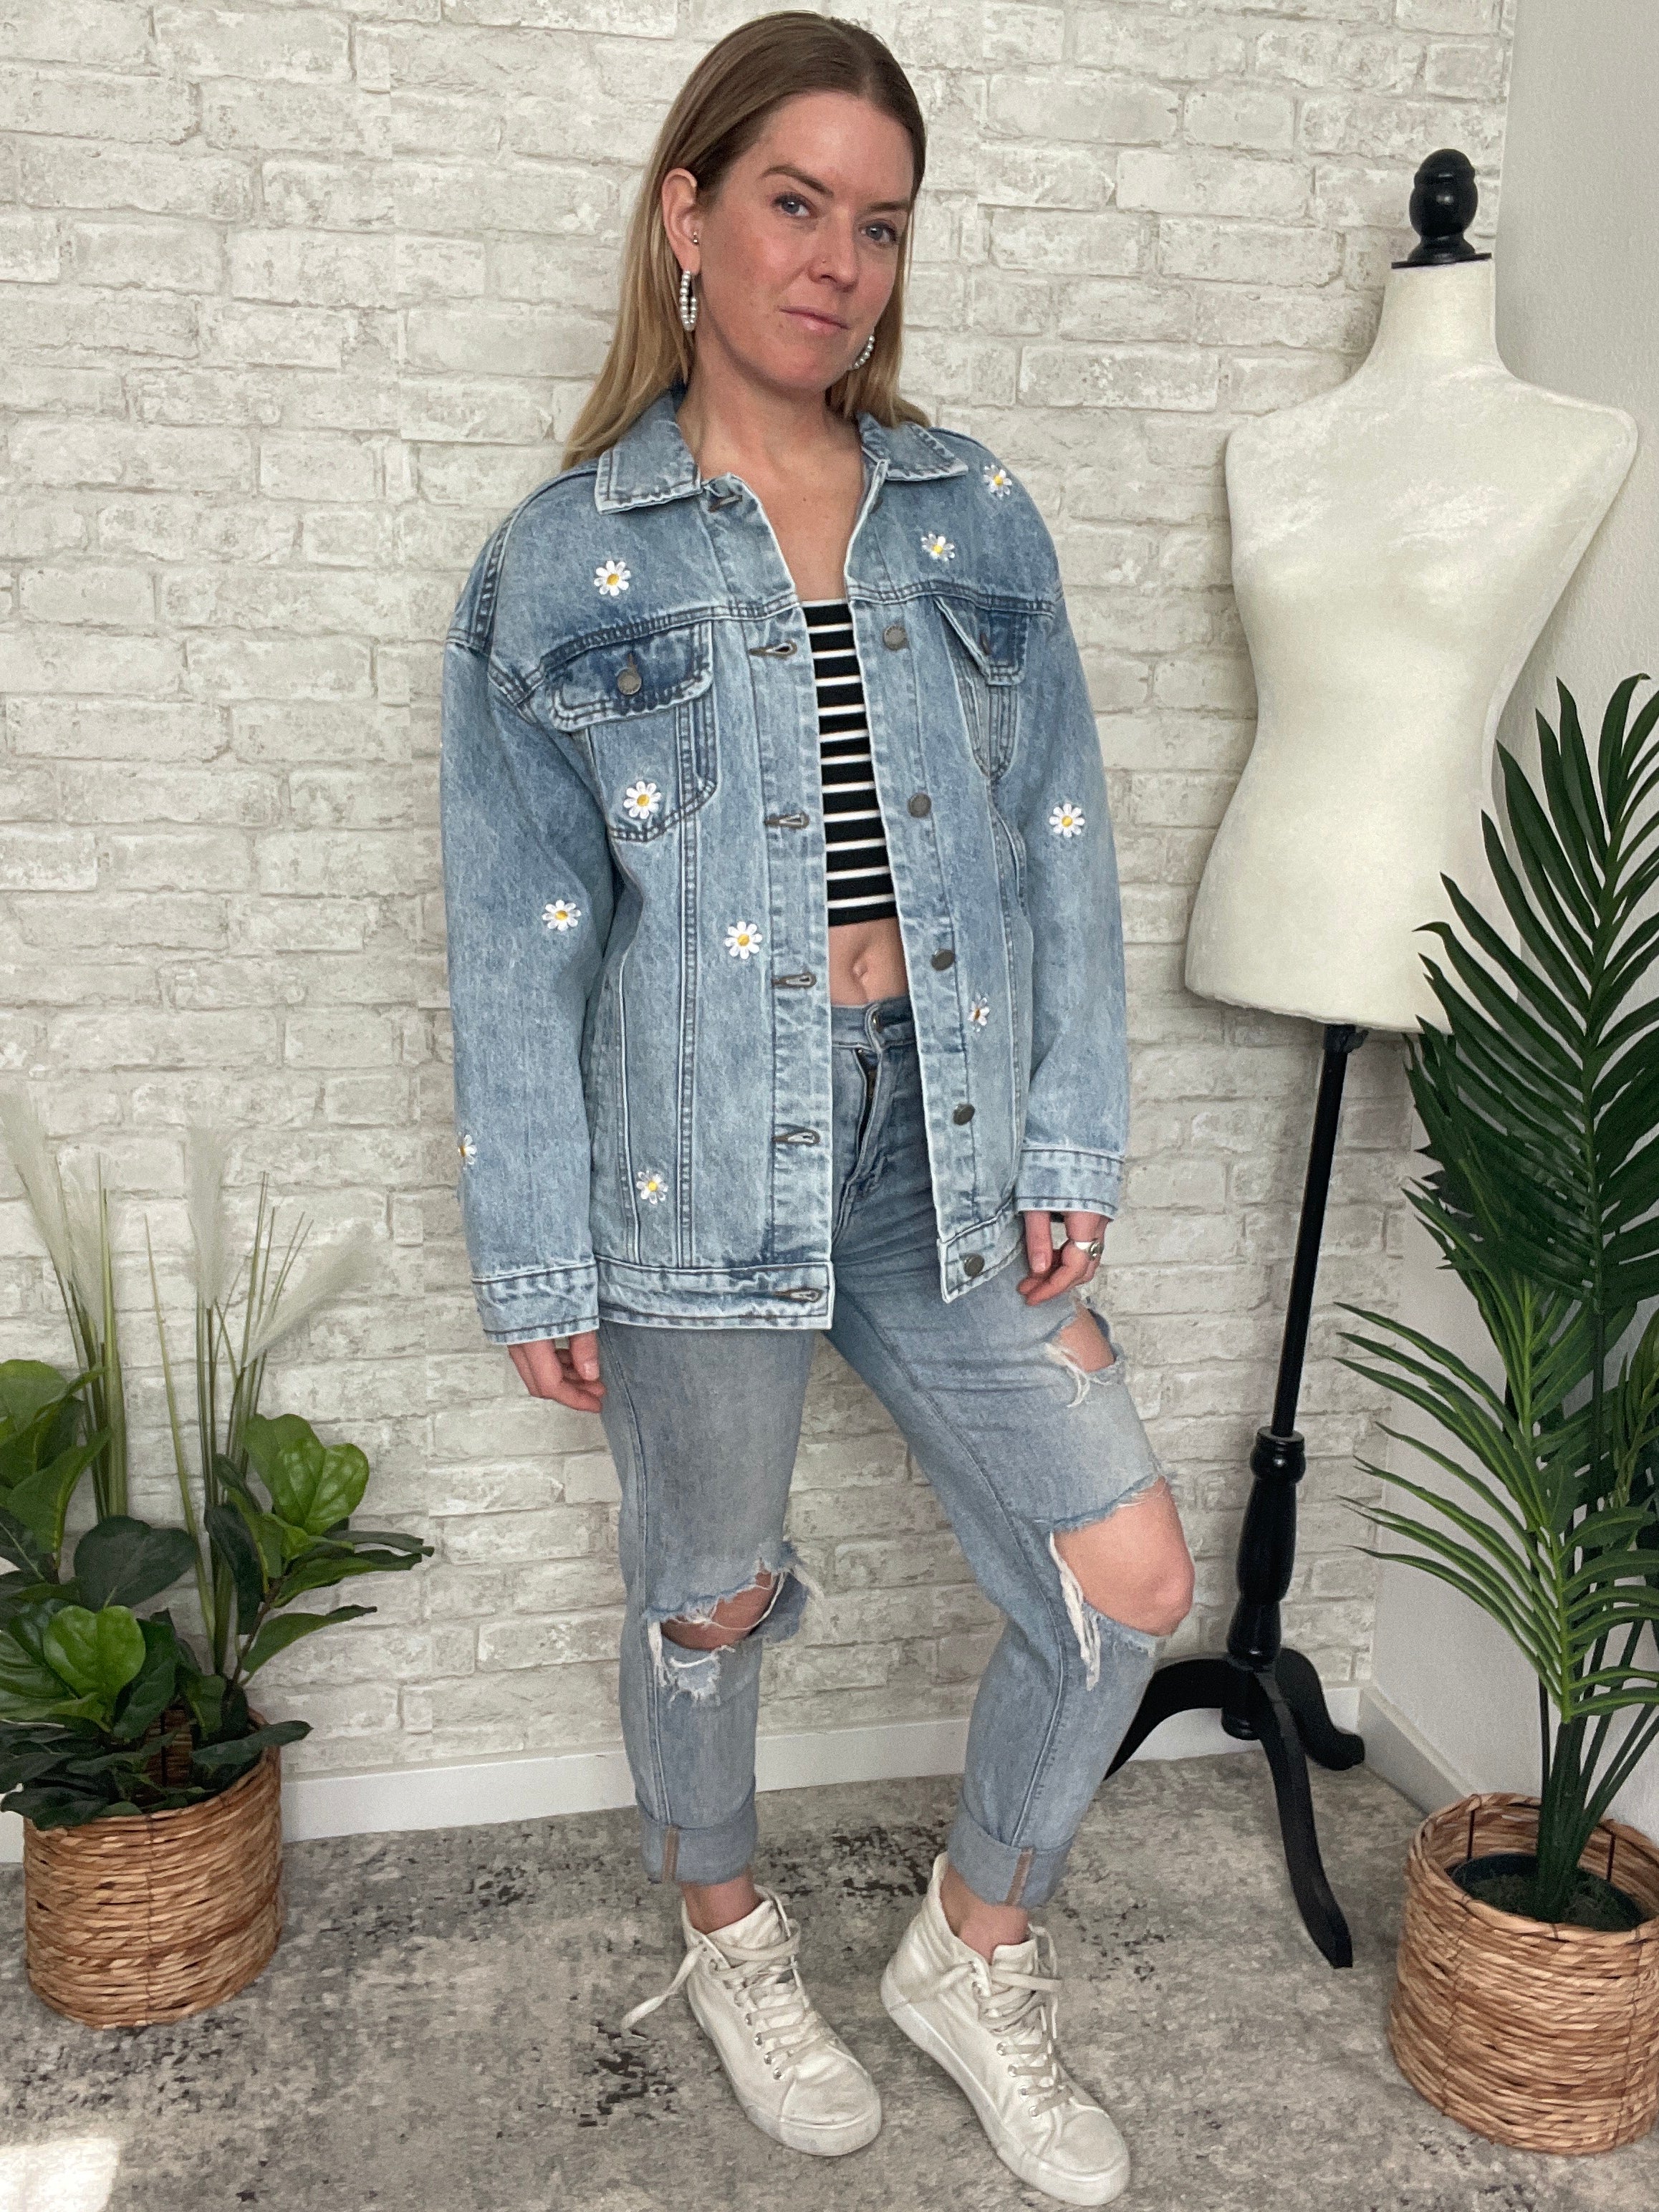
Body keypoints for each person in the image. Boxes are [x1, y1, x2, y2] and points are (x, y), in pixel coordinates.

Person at [438, 14, 1193, 2203]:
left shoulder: (973, 514)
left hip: (943, 1145)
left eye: (878, 222)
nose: (837, 261)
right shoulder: (562, 561)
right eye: (793, 204)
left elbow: (1058, 842)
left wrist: (1066, 1138)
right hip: (693, 1152)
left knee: (1128, 1577)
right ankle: (729, 1937)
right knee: (706, 1591)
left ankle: (973, 1950)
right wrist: (539, 1249)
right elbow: (520, 941)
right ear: (686, 216)